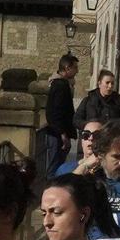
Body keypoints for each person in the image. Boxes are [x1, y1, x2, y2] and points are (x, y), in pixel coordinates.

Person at [39, 53, 79, 181]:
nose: (77, 71)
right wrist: (63, 134)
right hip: (57, 134)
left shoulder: (59, 84)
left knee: (56, 166)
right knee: (54, 169)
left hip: (56, 132)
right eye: (75, 68)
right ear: (67, 68)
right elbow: (56, 112)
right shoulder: (61, 85)